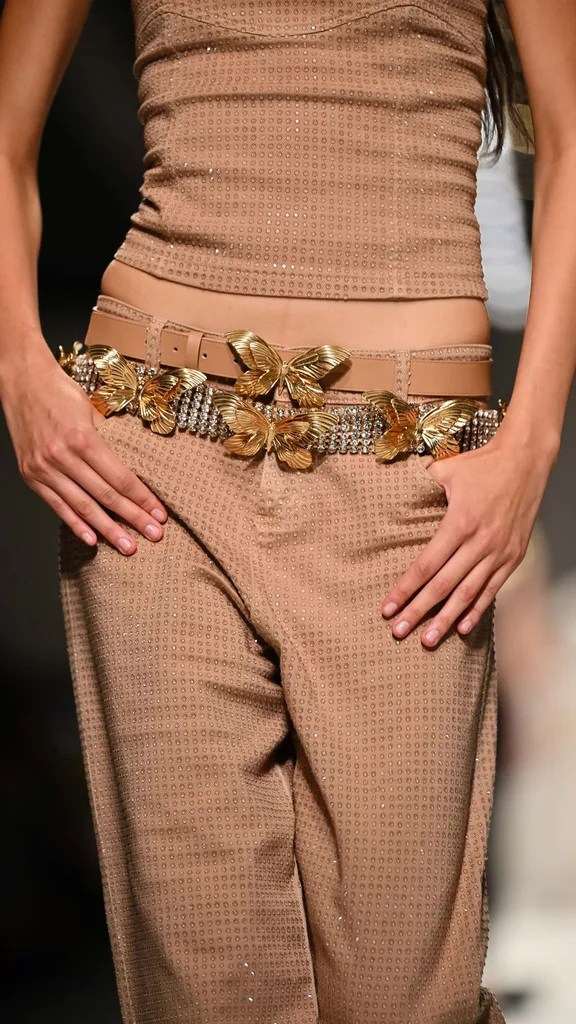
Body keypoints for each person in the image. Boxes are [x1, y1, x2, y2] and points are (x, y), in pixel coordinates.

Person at [0, 2, 574, 1022]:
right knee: (206, 984)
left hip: (407, 478)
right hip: (153, 463)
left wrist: (530, 441)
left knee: (406, 993)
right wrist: (18, 372)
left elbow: (569, 139)